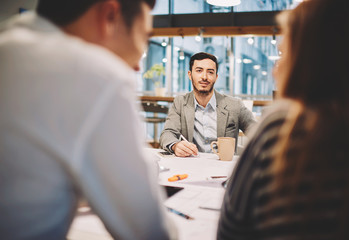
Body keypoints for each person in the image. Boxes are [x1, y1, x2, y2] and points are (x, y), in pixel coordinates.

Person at [0, 0, 173, 239]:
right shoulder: (94, 75)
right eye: (144, 38)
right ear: (109, 16)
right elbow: (149, 232)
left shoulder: (8, 41)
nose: (137, 65)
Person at [217, 0, 349, 239]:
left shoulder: (285, 128)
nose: (275, 68)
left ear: (309, 59)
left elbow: (230, 232)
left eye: (284, 52)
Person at [160, 52, 256, 157]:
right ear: (190, 75)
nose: (204, 77)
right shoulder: (180, 103)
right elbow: (167, 133)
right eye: (199, 71)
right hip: (191, 166)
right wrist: (175, 145)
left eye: (210, 72)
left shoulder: (235, 105)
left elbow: (257, 132)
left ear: (216, 77)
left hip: (223, 168)